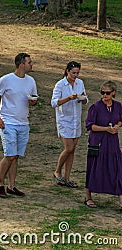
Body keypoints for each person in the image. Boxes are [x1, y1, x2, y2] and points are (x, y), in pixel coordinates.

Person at [0, 53, 38, 198]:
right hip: (8, 122)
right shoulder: (6, 80)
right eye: (29, 62)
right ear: (21, 64)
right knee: (9, 155)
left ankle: (11, 185)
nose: (32, 64)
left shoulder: (31, 81)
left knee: (16, 156)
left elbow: (34, 99)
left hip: (23, 122)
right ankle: (0, 183)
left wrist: (33, 102)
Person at [84, 80, 122, 210]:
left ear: (113, 93)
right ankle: (88, 196)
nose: (104, 95)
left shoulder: (117, 106)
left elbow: (120, 119)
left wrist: (117, 126)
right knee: (94, 166)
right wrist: (106, 129)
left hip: (112, 142)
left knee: (117, 167)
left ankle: (121, 198)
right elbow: (90, 126)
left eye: (107, 93)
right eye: (102, 93)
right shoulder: (95, 107)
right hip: (98, 141)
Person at [51, 61, 88, 188]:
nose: (75, 75)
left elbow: (84, 98)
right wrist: (69, 98)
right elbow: (54, 102)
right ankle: (57, 170)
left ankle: (67, 177)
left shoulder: (80, 83)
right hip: (64, 120)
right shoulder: (60, 85)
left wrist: (83, 99)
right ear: (67, 71)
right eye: (73, 73)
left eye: (77, 73)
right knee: (68, 148)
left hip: (76, 120)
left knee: (72, 151)